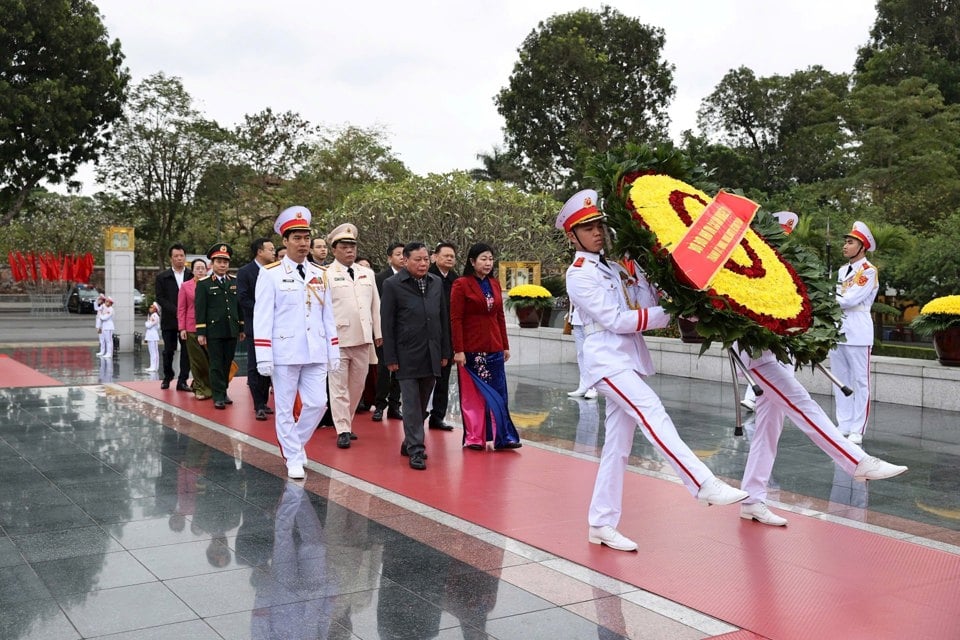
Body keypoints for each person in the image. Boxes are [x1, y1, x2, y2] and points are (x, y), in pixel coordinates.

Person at [557, 189, 748, 553]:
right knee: (651, 411)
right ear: (573, 236)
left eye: (599, 224)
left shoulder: (613, 267)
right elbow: (616, 319)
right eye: (587, 227)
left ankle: (601, 522)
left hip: (626, 359)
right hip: (607, 360)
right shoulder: (579, 274)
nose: (597, 232)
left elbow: (644, 305)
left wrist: (676, 294)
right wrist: (670, 314)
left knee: (617, 447)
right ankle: (701, 482)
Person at [734, 212, 907, 526]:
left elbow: (847, 299)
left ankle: (752, 499)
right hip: (759, 350)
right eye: (777, 235)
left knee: (767, 430)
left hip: (831, 336)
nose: (782, 241)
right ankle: (857, 460)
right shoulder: (749, 262)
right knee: (801, 403)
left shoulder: (866, 271)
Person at [254, 205, 340, 480]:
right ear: (285, 241)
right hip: (285, 350)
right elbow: (262, 316)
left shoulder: (320, 273)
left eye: (306, 238)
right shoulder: (270, 274)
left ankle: (295, 445)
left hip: (315, 349)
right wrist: (263, 355)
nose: (303, 244)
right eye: (297, 238)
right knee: (284, 407)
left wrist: (333, 348)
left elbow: (328, 315)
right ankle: (293, 456)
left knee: (318, 404)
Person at [380, 241, 451, 470]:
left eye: (425, 260)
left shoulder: (436, 283)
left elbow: (442, 318)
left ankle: (409, 441)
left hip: (431, 352)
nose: (422, 264)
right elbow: (387, 323)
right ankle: (417, 450)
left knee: (421, 403)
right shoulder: (393, 285)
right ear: (406, 261)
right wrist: (390, 357)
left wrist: (444, 351)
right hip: (406, 354)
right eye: (417, 260)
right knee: (410, 404)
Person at [450, 242, 521, 451]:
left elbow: (499, 316)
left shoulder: (494, 284)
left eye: (490, 259)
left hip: (495, 347)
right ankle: (475, 437)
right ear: (472, 262)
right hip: (472, 349)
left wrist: (505, 345)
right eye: (483, 259)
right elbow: (456, 319)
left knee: (499, 393)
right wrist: (459, 350)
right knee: (474, 395)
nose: (488, 263)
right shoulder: (461, 284)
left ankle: (503, 436)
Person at [325, 223, 382, 449]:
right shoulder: (326, 274)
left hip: (363, 338)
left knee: (357, 385)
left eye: (353, 246)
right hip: (338, 338)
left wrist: (378, 333)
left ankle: (345, 421)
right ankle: (342, 429)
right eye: (345, 246)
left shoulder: (367, 273)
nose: (350, 250)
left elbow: (375, 305)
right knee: (338, 386)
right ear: (334, 249)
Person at [830, 221, 879, 445]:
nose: (845, 246)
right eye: (846, 242)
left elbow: (850, 299)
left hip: (858, 331)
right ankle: (844, 423)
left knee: (860, 382)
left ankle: (857, 428)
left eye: (850, 242)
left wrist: (827, 297)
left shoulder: (868, 271)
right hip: (839, 330)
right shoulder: (841, 270)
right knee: (840, 380)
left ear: (862, 247)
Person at [195, 243, 244, 410]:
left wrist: (242, 328)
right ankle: (217, 395)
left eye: (225, 262)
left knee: (227, 362)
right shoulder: (204, 284)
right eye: (219, 261)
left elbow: (239, 307)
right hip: (214, 331)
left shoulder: (234, 282)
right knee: (216, 364)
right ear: (212, 264)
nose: (222, 265)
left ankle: (223, 391)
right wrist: (201, 332)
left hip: (231, 329)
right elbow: (200, 309)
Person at [237, 237, 276, 421]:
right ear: (259, 251)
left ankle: (265, 401)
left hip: (275, 327)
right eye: (270, 249)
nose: (274, 252)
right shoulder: (245, 272)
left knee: (271, 365)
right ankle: (258, 404)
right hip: (255, 326)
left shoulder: (276, 271)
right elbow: (243, 298)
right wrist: (263, 310)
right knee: (255, 365)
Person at [372, 242, 406, 422]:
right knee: (384, 369)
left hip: (403, 332)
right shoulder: (379, 278)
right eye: (398, 254)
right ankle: (379, 405)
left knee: (401, 371)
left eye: (404, 254)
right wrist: (378, 332)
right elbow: (375, 307)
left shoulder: (411, 277)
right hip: (383, 332)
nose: (402, 257)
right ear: (389, 258)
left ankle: (395, 405)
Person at [427, 241, 459, 430]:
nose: (449, 258)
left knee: (444, 379)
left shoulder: (456, 279)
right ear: (435, 257)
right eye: (445, 255)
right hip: (429, 334)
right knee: (426, 378)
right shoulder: (427, 276)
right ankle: (418, 413)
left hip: (448, 336)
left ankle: (438, 416)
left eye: (452, 256)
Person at [155, 243, 193, 390]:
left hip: (188, 321)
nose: (179, 259)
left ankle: (182, 380)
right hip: (170, 320)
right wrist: (177, 311)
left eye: (181, 256)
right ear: (171, 258)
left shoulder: (191, 275)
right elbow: (160, 298)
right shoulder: (162, 277)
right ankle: (168, 376)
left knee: (186, 351)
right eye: (176, 256)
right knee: (168, 350)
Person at [177, 258, 213, 400]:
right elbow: (181, 308)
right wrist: (182, 328)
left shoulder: (212, 284)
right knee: (197, 361)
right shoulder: (186, 286)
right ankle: (199, 388)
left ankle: (211, 387)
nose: (200, 270)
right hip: (191, 327)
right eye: (197, 268)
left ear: (206, 270)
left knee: (210, 360)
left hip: (210, 327)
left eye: (202, 268)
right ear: (192, 271)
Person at [566, 302, 598, 400]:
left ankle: (593, 387)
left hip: (590, 319)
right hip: (576, 319)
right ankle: (583, 386)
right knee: (581, 354)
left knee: (591, 355)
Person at [144, 302, 161, 372]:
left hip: (153, 336)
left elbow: (148, 325)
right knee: (151, 352)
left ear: (155, 309)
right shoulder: (151, 316)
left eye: (152, 307)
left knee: (154, 352)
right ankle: (152, 366)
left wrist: (146, 322)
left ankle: (155, 367)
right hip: (150, 336)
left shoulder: (154, 316)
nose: (150, 308)